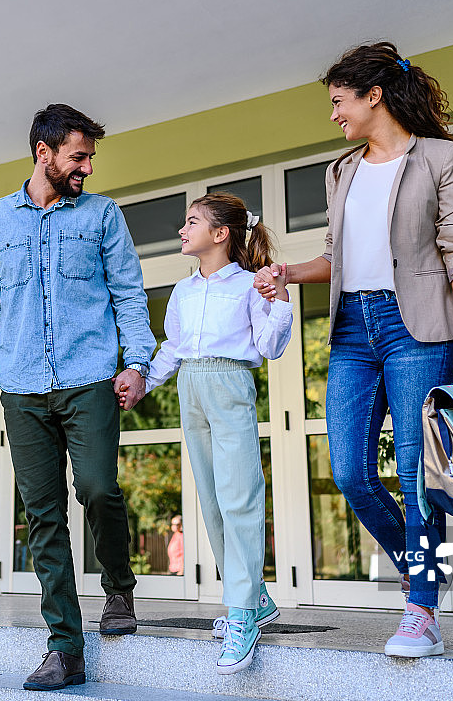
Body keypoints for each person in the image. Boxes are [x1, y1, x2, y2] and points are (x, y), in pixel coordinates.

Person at [255, 42, 453, 658]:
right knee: (352, 474)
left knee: (415, 473)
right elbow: (336, 257)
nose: (334, 115)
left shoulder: (443, 157)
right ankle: (426, 570)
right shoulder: (341, 171)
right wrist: (285, 271)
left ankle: (422, 610)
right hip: (354, 329)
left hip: (418, 327)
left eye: (339, 102)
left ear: (373, 95)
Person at [0, 103, 156, 691]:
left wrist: (137, 363)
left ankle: (118, 585)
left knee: (96, 488)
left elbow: (129, 293)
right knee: (43, 514)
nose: (87, 167)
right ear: (45, 154)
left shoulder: (103, 215)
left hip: (89, 377)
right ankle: (66, 646)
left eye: (89, 157)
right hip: (21, 386)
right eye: (78, 156)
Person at [120, 192, 291, 675]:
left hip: (230, 383)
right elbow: (172, 349)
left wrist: (279, 303)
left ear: (220, 234)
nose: (181, 229)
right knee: (213, 501)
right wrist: (143, 383)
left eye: (191, 221)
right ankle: (252, 596)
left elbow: (270, 346)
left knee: (240, 497)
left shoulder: (249, 285)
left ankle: (241, 614)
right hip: (191, 387)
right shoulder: (182, 291)